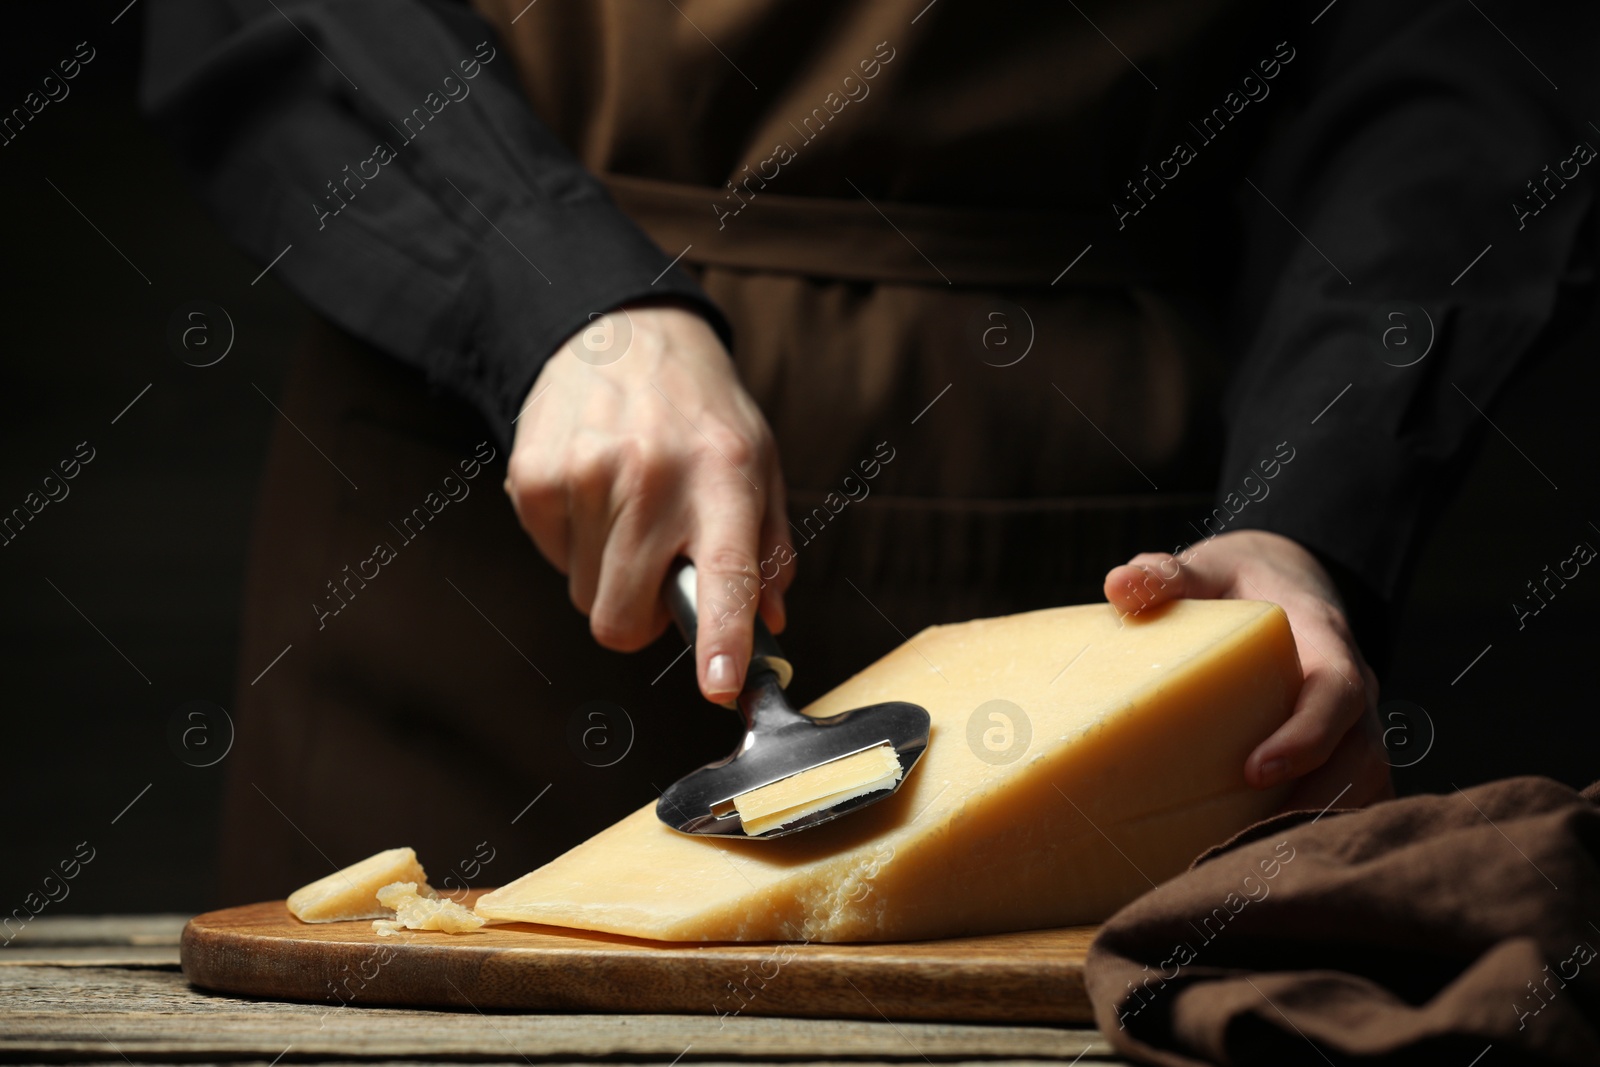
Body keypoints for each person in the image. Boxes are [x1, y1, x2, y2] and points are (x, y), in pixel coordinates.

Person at [142, 0, 1594, 902]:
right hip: (474, 530)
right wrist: (550, 299)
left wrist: (1310, 504)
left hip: (1102, 546)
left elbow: (1452, 62)